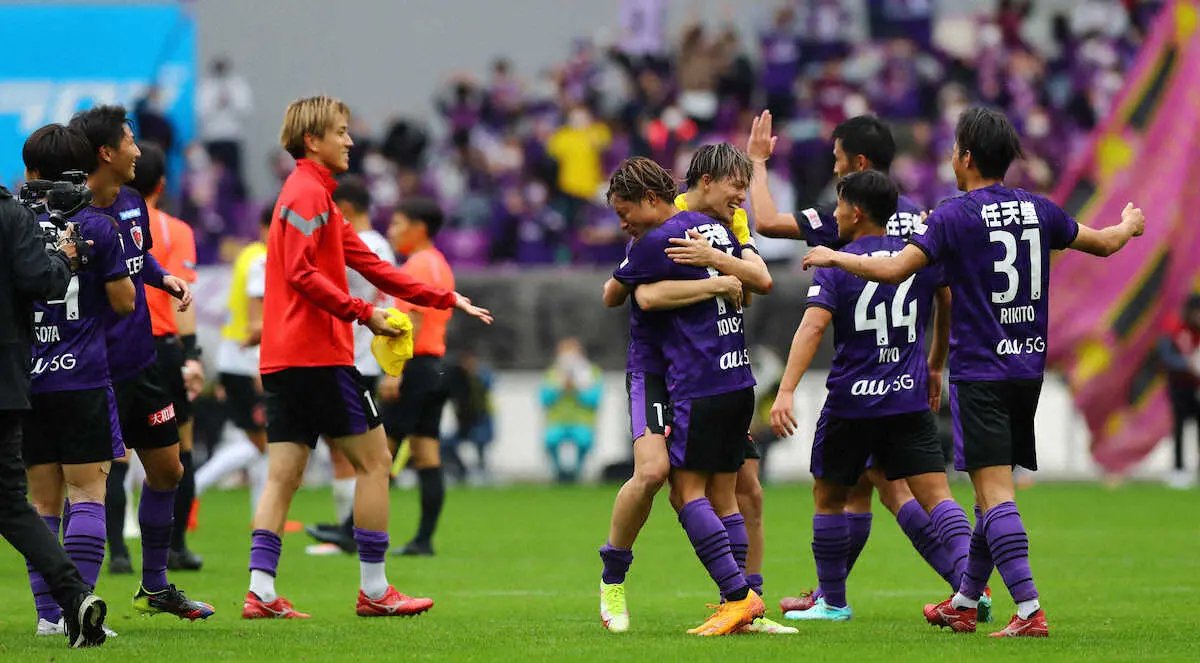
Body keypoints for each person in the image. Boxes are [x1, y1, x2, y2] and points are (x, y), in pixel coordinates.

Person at [802, 106, 1146, 637]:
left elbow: (894, 270)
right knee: (988, 493)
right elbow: (1102, 243)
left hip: (979, 371)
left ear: (965, 157)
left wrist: (836, 257)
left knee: (994, 493)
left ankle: (1029, 610)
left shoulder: (952, 215)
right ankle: (964, 598)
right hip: (1027, 368)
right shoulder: (1039, 209)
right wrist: (1128, 225)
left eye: (954, 150)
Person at [242, 95, 491, 619]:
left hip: (282, 358)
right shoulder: (309, 194)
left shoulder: (314, 197)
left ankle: (261, 592)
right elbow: (302, 274)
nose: (350, 140)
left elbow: (375, 267)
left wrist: (446, 298)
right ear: (313, 140)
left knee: (282, 474)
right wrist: (364, 314)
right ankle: (375, 591)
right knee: (376, 462)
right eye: (341, 131)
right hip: (319, 358)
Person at [747, 111, 968, 615]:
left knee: (856, 493)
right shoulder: (920, 221)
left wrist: (758, 163)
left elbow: (767, 224)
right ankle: (969, 588)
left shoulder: (840, 229)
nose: (832, 167)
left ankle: (835, 597)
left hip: (856, 389)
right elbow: (947, 296)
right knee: (888, 491)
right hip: (907, 382)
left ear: (857, 166)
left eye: (837, 160)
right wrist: (935, 364)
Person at [597, 144, 792, 635]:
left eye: (624, 214)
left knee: (728, 491)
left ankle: (742, 603)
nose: (623, 223)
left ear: (646, 198)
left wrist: (723, 268)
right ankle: (612, 583)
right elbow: (630, 294)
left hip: (704, 373)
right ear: (704, 184)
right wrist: (716, 281)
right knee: (653, 474)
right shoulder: (659, 235)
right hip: (658, 372)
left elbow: (756, 283)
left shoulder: (718, 228)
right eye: (737, 187)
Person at [69, 105, 213, 620]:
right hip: (92, 371)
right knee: (90, 484)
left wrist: (163, 277)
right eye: (129, 140)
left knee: (169, 470)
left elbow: (140, 256)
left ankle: (154, 587)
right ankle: (76, 602)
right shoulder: (72, 216)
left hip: (143, 365)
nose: (138, 149)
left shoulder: (131, 202)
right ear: (105, 153)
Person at [0, 131, 109, 649]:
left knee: (32, 501)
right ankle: (74, 601)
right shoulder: (85, 224)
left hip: (32, 378)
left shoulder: (18, 212)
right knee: (64, 496)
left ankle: (56, 612)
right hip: (49, 376)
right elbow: (122, 300)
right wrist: (67, 256)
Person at [304, 176, 396, 554]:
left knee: (350, 450)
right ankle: (347, 528)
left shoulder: (363, 244)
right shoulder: (379, 244)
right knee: (342, 447)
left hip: (357, 357)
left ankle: (349, 533)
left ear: (348, 207)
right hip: (359, 355)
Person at [130, 142, 205, 572]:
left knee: (114, 453)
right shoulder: (175, 229)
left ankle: (117, 553)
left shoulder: (107, 223)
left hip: (120, 347)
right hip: (164, 346)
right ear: (161, 183)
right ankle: (175, 547)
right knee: (181, 448)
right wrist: (192, 354)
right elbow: (186, 295)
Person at [195, 207, 270, 514]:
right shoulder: (262, 259)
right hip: (247, 359)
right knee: (263, 443)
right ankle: (194, 488)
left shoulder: (248, 254)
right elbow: (258, 318)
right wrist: (262, 364)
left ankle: (262, 516)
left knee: (265, 443)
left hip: (234, 357)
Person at [541, 338, 602, 483]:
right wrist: (559, 386)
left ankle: (577, 472)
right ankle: (559, 472)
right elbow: (544, 399)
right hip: (557, 422)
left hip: (582, 422)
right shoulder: (552, 374)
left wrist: (578, 387)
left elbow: (594, 400)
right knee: (551, 440)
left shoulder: (592, 373)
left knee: (583, 441)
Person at [1158, 294, 1200, 488]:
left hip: (1198, 387)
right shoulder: (1175, 328)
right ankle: (1178, 469)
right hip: (1180, 387)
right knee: (1179, 429)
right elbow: (1166, 355)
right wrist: (1187, 365)